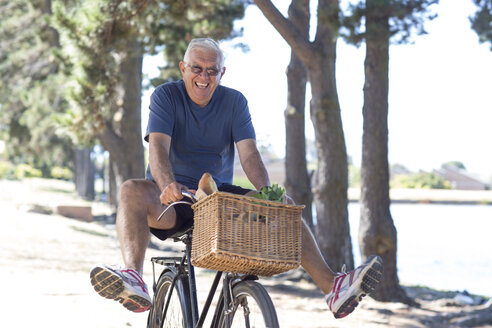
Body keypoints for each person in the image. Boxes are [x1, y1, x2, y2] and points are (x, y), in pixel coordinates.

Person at [89, 38, 383, 319]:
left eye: (212, 70)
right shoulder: (166, 96)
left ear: (222, 72)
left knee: (283, 210)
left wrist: (269, 194)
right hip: (173, 198)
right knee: (131, 190)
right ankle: (134, 279)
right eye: (196, 68)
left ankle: (333, 288)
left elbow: (250, 155)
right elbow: (158, 148)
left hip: (217, 198)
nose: (204, 77)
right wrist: (167, 184)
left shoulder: (234, 102)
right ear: (183, 68)